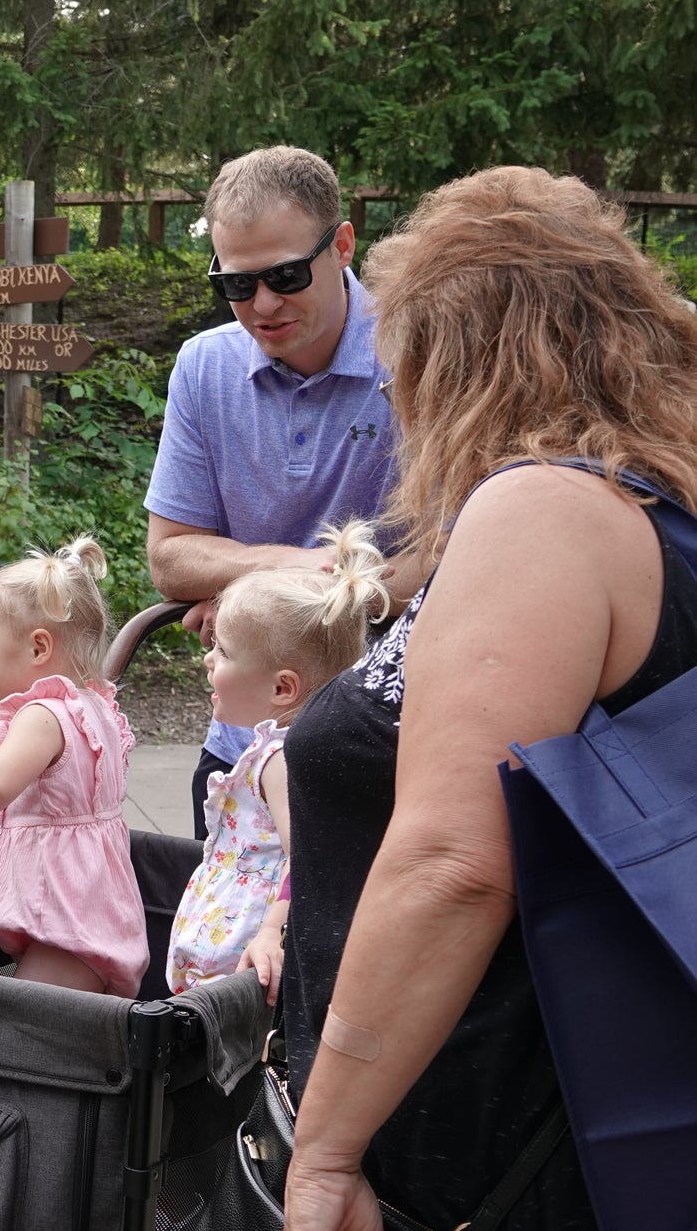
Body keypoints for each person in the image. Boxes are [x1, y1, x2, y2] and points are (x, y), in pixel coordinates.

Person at [278, 167, 697, 1230]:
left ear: (455, 358)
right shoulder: (656, 510)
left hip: (487, 1158)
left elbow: (454, 865)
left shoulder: (545, 512)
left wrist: (323, 1151)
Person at [143, 146, 411, 840]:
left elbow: (453, 555)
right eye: (236, 283)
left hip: (387, 738)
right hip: (241, 744)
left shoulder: (419, 353)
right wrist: (299, 569)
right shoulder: (204, 365)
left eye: (286, 275)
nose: (262, 304)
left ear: (343, 245)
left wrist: (253, 594)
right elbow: (171, 557)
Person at [165, 521, 388, 999]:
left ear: (283, 687)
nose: (208, 660)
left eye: (223, 652)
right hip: (228, 949)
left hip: (245, 958)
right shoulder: (281, 749)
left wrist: (271, 933)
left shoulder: (281, 759)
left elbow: (306, 850)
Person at [0, 537, 144, 994]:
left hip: (64, 926)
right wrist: (1, 815)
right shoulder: (92, 706)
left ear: (39, 647)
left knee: (24, 1027)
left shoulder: (42, 715)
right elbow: (60, 794)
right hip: (84, 914)